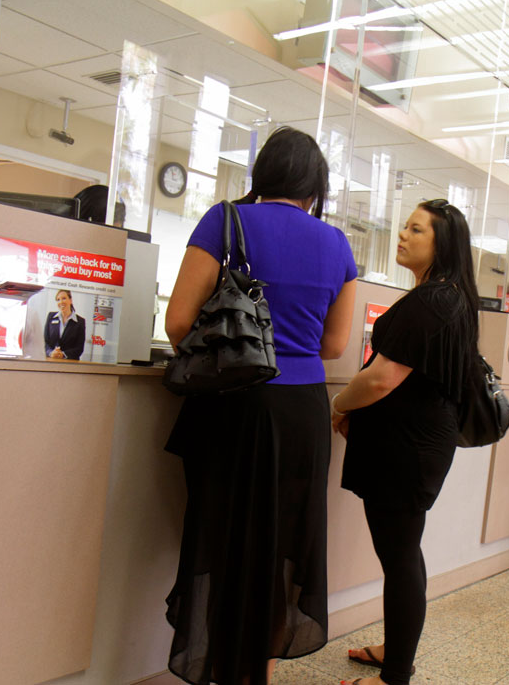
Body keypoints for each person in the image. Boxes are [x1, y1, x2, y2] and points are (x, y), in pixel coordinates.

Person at [162, 126, 358, 685]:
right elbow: (335, 346)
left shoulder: (225, 221)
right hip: (303, 413)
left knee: (227, 537)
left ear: (261, 173)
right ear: (315, 187)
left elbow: (178, 322)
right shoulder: (336, 245)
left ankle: (224, 666)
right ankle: (260, 673)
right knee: (281, 544)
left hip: (235, 406)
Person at [331, 199, 479, 685]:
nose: (402, 236)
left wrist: (340, 406)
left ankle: (395, 673)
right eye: (404, 228)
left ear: (442, 242)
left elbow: (380, 380)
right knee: (402, 552)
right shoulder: (449, 297)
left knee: (399, 556)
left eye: (416, 230)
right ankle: (395, 651)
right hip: (413, 443)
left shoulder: (434, 300)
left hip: (407, 450)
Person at [44, 289, 85, 360]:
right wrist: (51, 353)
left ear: (70, 300)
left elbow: (79, 348)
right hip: (50, 361)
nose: (61, 302)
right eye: (58, 299)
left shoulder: (80, 321)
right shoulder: (51, 317)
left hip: (69, 363)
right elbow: (44, 342)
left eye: (64, 298)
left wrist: (63, 354)